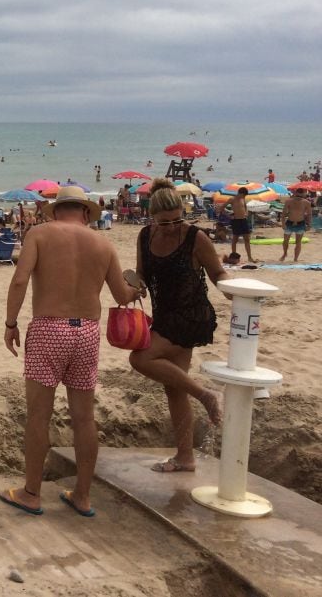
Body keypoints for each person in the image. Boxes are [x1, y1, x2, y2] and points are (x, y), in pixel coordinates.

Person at [0, 186, 140, 518]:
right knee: (84, 418)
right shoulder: (103, 243)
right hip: (87, 332)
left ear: (55, 211)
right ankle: (82, 495)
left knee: (39, 415)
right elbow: (122, 294)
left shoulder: (40, 234)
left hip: (49, 328)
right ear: (87, 213)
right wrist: (138, 288)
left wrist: (10, 323)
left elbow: (20, 280)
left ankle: (31, 494)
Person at [130, 178, 228, 473]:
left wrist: (237, 291)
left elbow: (218, 273)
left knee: (140, 358)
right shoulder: (145, 236)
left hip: (192, 315)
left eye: (177, 220)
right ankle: (185, 457)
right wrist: (134, 287)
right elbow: (141, 275)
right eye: (164, 222)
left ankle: (206, 396)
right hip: (164, 315)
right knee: (174, 388)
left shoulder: (195, 237)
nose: (172, 227)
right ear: (152, 217)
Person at [280, 188, 312, 263]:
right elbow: (284, 213)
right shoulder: (289, 201)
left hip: (300, 223)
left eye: (301, 193)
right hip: (289, 223)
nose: (299, 195)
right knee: (285, 241)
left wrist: (309, 225)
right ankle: (285, 254)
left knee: (298, 242)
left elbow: (309, 214)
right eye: (299, 193)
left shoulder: (306, 202)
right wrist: (283, 223)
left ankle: (295, 258)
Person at [227, 187, 255, 264]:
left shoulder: (243, 199)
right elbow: (222, 208)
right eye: (244, 195)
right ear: (241, 193)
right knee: (235, 239)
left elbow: (245, 207)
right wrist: (229, 216)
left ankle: (249, 257)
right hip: (236, 221)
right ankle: (233, 257)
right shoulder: (232, 199)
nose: (244, 197)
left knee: (247, 239)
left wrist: (246, 213)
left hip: (243, 220)